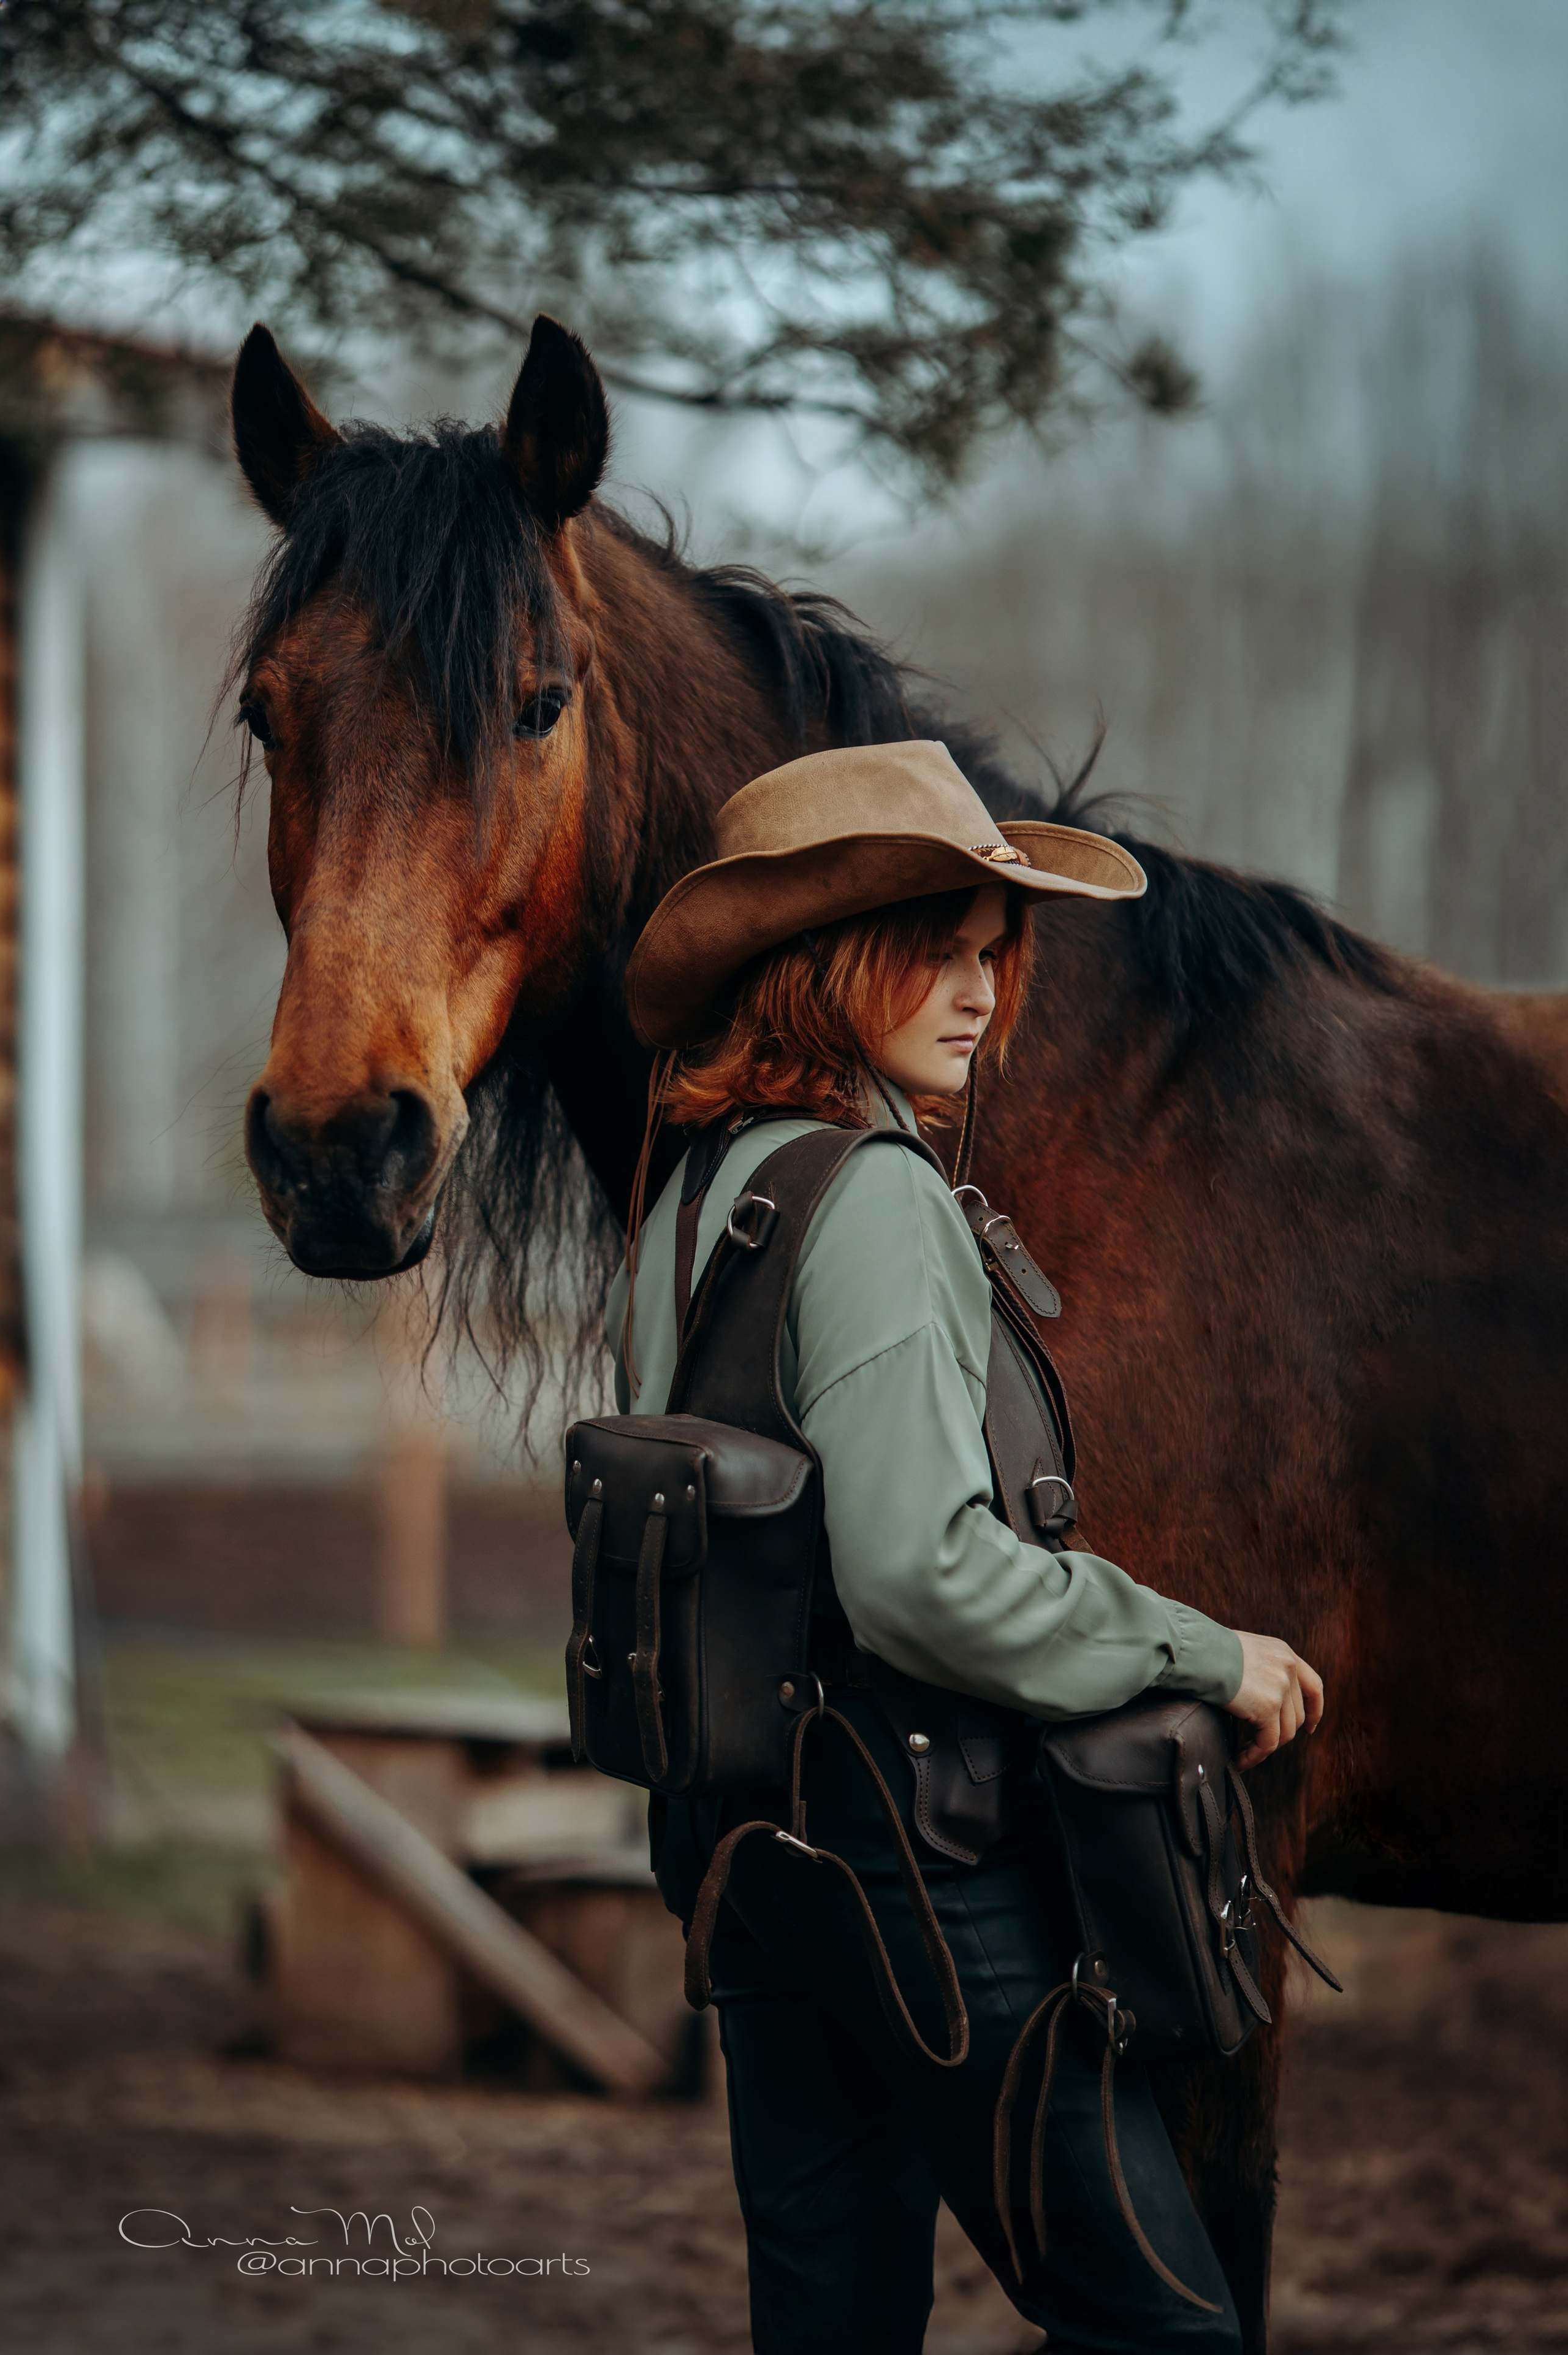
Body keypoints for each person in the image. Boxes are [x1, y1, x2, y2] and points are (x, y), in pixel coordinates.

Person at [604, 740, 1324, 2355]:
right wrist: (1207, 1648)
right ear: (813, 960)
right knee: (1170, 2328)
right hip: (918, 1872)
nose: (983, 986)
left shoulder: (687, 1200)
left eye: (993, 946)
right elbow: (921, 1574)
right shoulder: (873, 1201)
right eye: (933, 938)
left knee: (831, 2326)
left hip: (751, 1873)